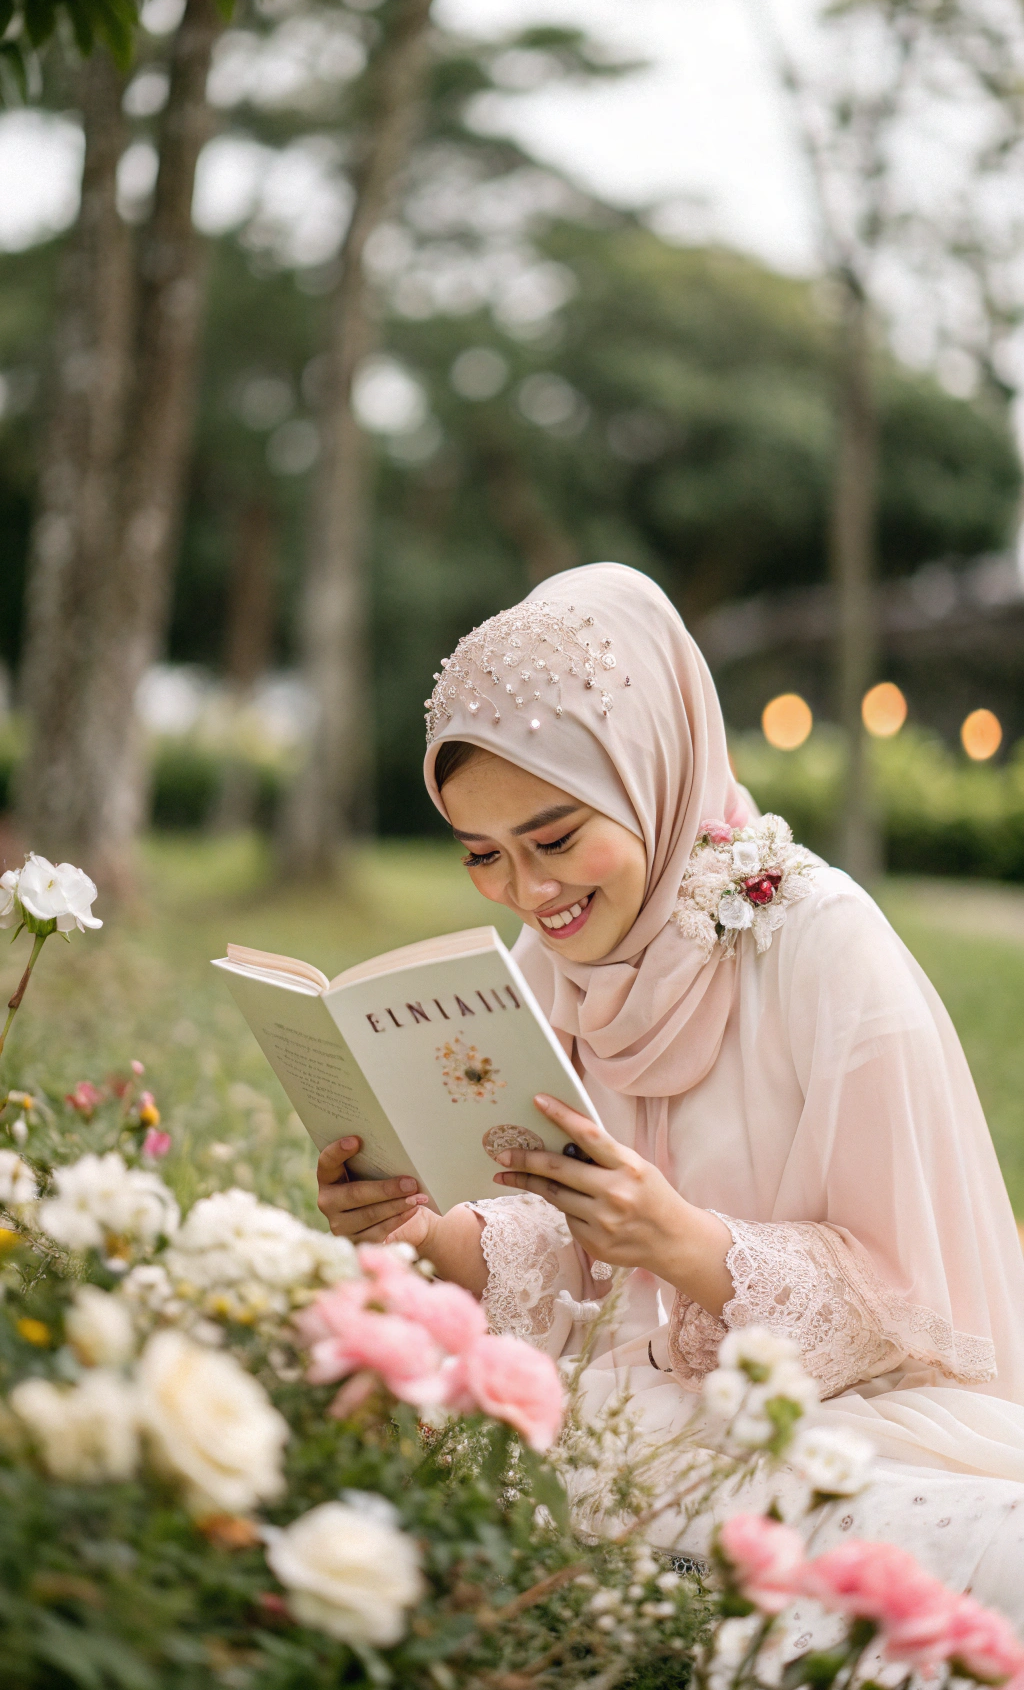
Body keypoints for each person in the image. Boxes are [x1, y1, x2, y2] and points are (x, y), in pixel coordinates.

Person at [316, 562, 1024, 1616]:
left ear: (651, 765)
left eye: (556, 836)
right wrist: (417, 1228)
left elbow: (918, 1302)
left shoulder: (819, 941)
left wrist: (683, 1241)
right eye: (483, 853)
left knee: (953, 1566)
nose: (531, 890)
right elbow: (567, 1245)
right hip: (648, 1417)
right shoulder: (552, 964)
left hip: (851, 1415)